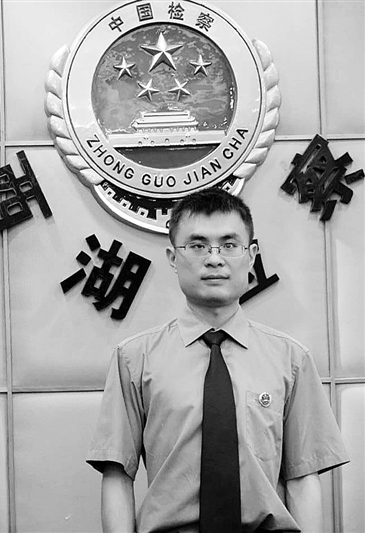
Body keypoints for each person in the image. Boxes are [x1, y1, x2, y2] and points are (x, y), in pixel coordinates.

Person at [86, 187, 349, 533]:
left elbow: (303, 478)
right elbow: (117, 474)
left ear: (251, 255)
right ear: (172, 257)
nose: (214, 259)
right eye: (197, 246)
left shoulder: (291, 359)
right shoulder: (134, 359)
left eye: (229, 245)